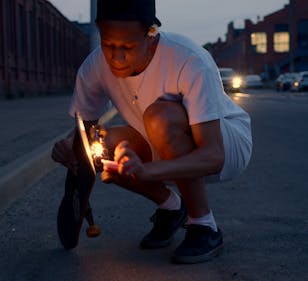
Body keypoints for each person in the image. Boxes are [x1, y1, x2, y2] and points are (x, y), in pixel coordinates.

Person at [51, 0, 252, 264]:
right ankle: (171, 207)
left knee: (159, 117)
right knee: (102, 143)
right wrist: (70, 148)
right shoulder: (94, 67)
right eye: (109, 45)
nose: (117, 57)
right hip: (160, 143)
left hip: (225, 145)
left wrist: (147, 172)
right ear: (100, 32)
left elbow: (213, 155)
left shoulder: (187, 59)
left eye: (128, 47)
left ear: (150, 34)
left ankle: (204, 225)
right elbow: (83, 135)